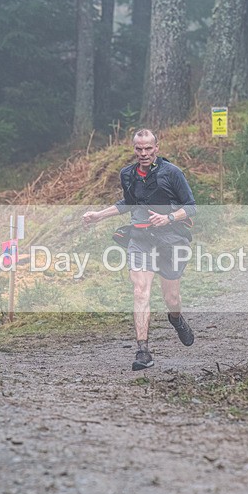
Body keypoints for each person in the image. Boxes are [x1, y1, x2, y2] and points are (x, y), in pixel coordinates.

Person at [82, 129, 196, 371]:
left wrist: (168, 218)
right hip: (140, 239)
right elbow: (128, 203)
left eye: (148, 148)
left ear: (156, 148)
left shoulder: (172, 172)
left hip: (171, 240)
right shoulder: (128, 174)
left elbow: (191, 207)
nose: (143, 153)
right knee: (140, 291)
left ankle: (176, 319)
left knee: (171, 299)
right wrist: (98, 215)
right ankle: (143, 351)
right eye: (139, 149)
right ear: (134, 149)